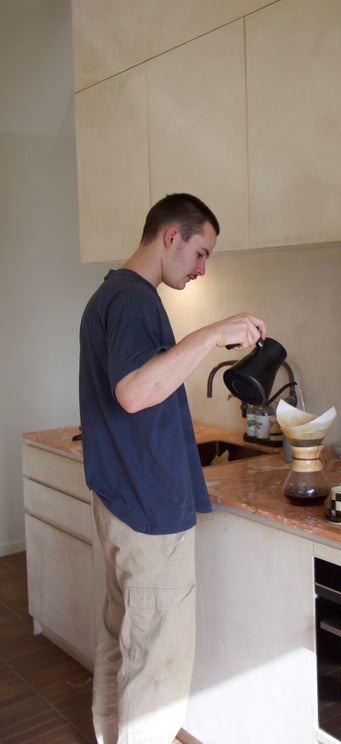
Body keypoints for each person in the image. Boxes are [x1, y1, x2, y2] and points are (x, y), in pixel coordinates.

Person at [79, 193, 266, 744]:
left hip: (121, 500)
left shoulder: (110, 294)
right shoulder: (136, 301)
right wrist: (210, 335)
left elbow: (136, 386)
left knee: (122, 643)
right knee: (156, 670)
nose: (203, 267)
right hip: (149, 510)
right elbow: (135, 393)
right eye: (200, 252)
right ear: (171, 237)